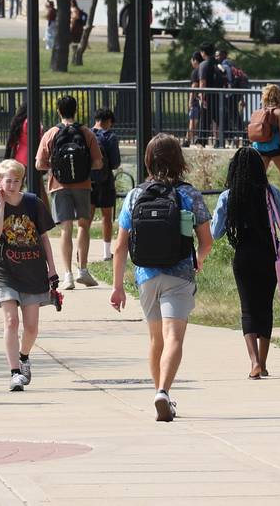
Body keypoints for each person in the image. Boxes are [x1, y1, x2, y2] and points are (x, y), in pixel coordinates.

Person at [110, 133, 213, 422]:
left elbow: (120, 246)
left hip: (146, 276)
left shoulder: (135, 195)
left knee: (156, 340)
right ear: (178, 160)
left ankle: (159, 391)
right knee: (174, 337)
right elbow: (206, 240)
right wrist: (197, 262)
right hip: (179, 275)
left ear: (148, 160)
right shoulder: (188, 194)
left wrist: (118, 286)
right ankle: (164, 392)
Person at [0, 159, 58, 391]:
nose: (12, 185)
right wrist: (2, 205)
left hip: (33, 270)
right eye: (8, 181)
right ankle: (14, 372)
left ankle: (24, 356)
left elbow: (44, 238)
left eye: (16, 181)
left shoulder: (33, 203)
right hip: (4, 270)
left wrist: (51, 269)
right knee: (11, 321)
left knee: (32, 327)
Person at [211, 147, 280, 379]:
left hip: (243, 254)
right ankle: (263, 363)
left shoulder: (229, 196)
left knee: (248, 308)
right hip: (267, 253)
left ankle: (253, 361)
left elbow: (216, 232)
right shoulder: (269, 192)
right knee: (265, 307)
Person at [35, 95, 103, 290]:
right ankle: (83, 269)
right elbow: (98, 163)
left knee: (66, 228)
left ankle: (68, 275)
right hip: (83, 185)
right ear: (76, 110)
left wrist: (55, 166)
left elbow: (39, 164)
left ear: (58, 111)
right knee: (83, 226)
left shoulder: (51, 134)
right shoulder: (86, 132)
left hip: (59, 186)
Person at [90, 108, 121, 262]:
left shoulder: (86, 134)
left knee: (85, 219)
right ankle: (106, 253)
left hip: (87, 182)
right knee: (106, 217)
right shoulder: (110, 137)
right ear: (108, 121)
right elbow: (115, 164)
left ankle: (82, 251)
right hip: (105, 181)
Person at [252, 84, 280, 196]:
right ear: (279, 97)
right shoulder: (279, 112)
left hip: (259, 148)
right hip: (276, 149)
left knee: (258, 179)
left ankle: (257, 205)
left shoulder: (258, 112)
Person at [198, 42, 224, 147]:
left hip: (208, 97)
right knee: (217, 119)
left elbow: (202, 82)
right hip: (219, 95)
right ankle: (219, 141)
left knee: (205, 119)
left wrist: (201, 96)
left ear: (203, 52)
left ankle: (202, 141)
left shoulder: (204, 64)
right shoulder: (217, 63)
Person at [185, 51, 203, 147]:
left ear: (195, 60)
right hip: (203, 100)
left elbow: (194, 86)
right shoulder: (203, 69)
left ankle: (188, 140)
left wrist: (190, 101)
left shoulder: (196, 71)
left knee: (193, 121)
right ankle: (193, 139)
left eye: (192, 60)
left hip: (196, 101)